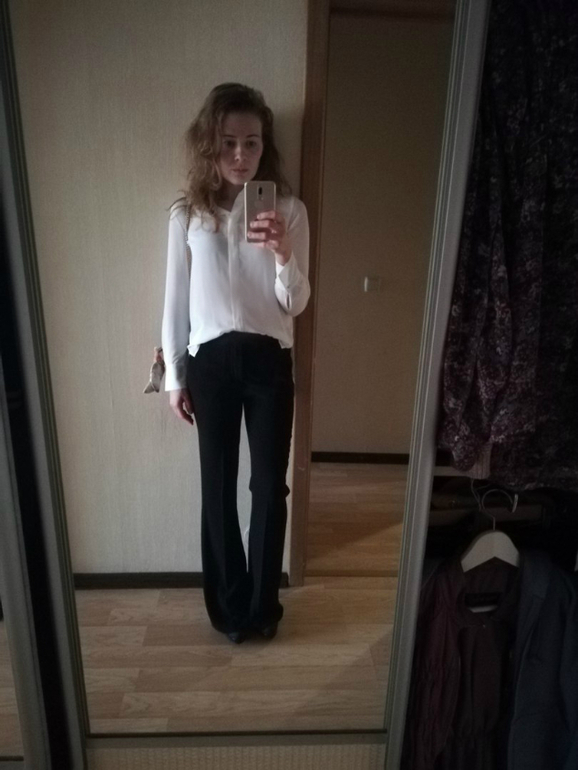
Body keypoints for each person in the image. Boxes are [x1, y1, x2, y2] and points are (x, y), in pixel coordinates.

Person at [161, 83, 310, 644]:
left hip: (270, 360)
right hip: (210, 363)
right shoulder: (187, 215)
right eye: (229, 142)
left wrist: (283, 254)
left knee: (269, 487)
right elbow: (175, 301)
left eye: (252, 142)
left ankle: (262, 606)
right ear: (210, 144)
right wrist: (174, 377)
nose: (241, 155)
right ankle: (228, 610)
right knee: (217, 486)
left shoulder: (288, 211)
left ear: (265, 144)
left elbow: (295, 304)